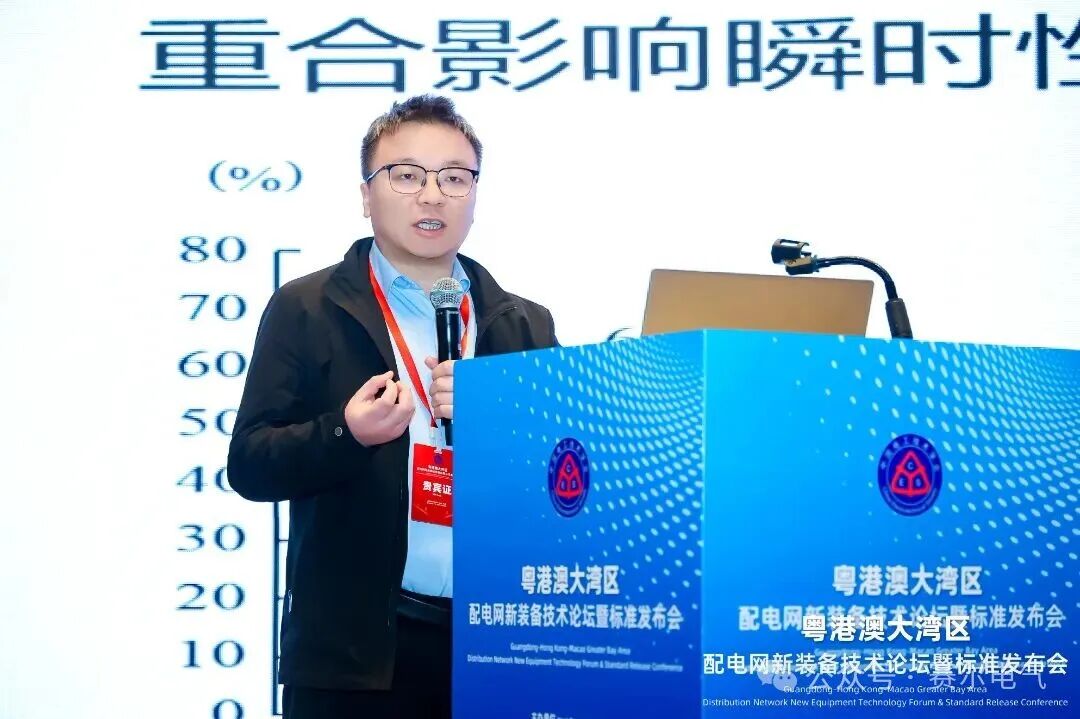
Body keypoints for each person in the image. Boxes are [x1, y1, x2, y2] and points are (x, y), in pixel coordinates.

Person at [227, 94, 558, 719]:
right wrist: (346, 434)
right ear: (366, 195)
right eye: (407, 176)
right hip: (356, 656)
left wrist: (505, 428)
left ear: (475, 195)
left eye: (454, 178)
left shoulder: (524, 324)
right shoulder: (308, 308)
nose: (432, 196)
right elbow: (249, 465)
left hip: (499, 644)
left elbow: (565, 482)